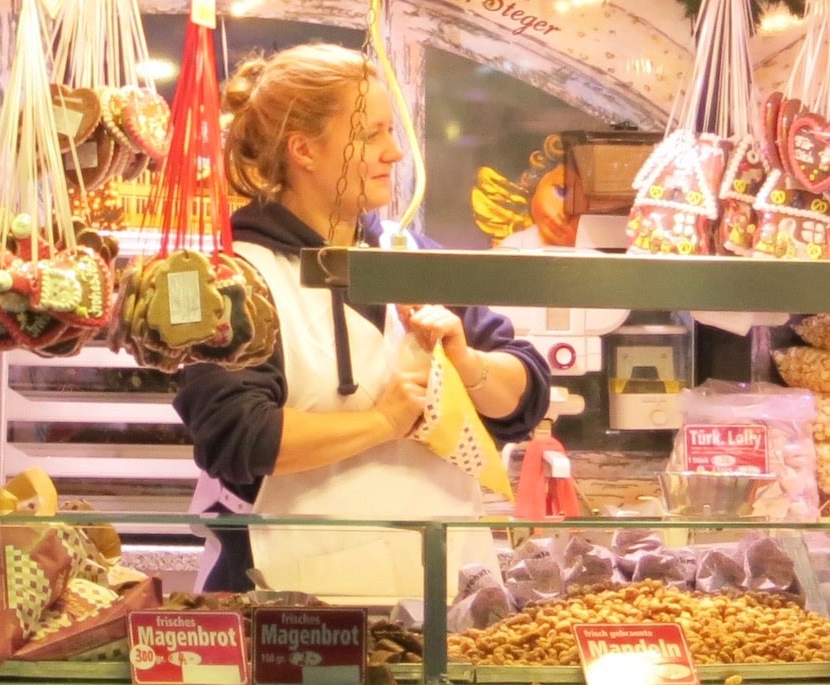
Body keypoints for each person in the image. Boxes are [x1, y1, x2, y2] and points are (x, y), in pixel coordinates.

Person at [173, 43, 551, 595]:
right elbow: (237, 436)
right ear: (304, 150)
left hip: (445, 589)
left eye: (391, 133)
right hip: (295, 596)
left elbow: (526, 394)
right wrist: (382, 422)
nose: (394, 153)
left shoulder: (409, 253)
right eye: (371, 134)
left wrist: (466, 361)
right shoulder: (236, 277)